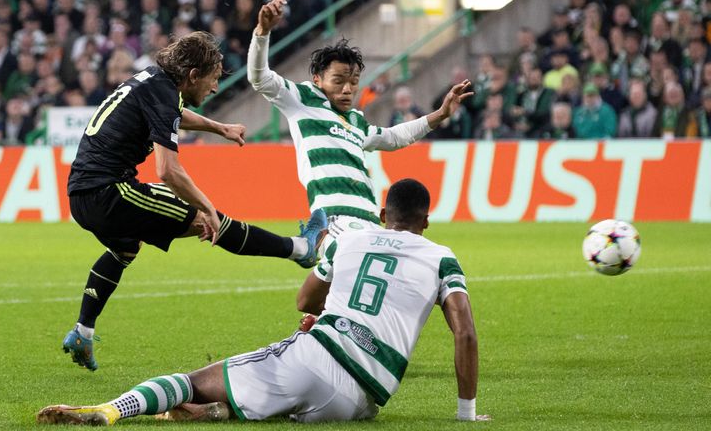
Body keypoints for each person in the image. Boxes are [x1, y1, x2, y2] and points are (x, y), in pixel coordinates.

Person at [36, 178, 490, 425]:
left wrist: (329, 306)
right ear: (426, 222)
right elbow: (465, 332)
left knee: (194, 380)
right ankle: (217, 412)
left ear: (382, 215)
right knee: (272, 393)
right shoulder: (441, 257)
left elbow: (305, 300)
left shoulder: (351, 243)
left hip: (317, 359)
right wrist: (466, 415)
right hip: (363, 401)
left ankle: (108, 411)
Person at [62, 30, 327, 372]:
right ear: (192, 75)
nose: (215, 88)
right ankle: (301, 249)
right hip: (110, 192)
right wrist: (204, 205)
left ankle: (82, 332)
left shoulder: (153, 82)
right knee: (209, 219)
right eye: (213, 80)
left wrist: (220, 128)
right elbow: (168, 171)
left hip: (81, 196)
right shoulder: (162, 91)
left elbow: (174, 115)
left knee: (125, 249)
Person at [246, 0, 472, 302]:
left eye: (353, 82)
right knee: (355, 288)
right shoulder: (301, 100)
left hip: (369, 220)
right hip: (336, 221)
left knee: (378, 295)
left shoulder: (356, 121)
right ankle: (311, 257)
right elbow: (259, 77)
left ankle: (317, 319)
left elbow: (393, 138)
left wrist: (439, 116)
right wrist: (262, 32)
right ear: (318, 79)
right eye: (338, 81)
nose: (347, 89)